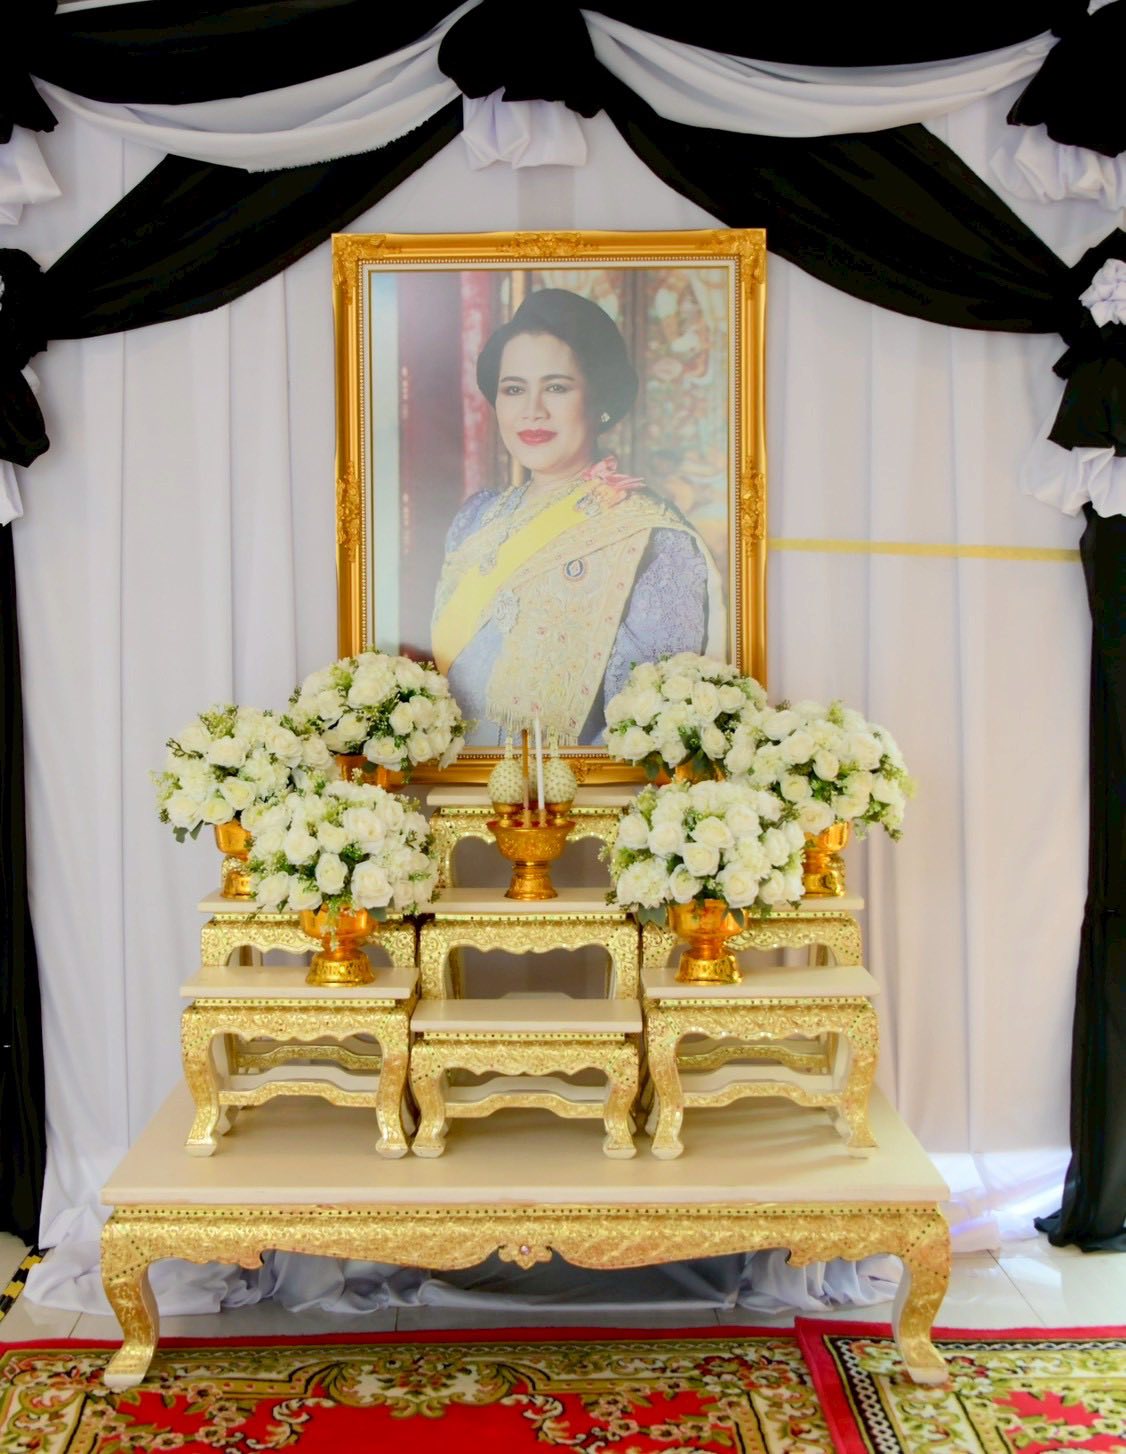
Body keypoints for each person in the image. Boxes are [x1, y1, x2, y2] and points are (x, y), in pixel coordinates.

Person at [431, 288, 724, 746]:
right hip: (456, 779)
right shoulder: (475, 519)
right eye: (514, 389)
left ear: (599, 398)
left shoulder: (652, 538)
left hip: (577, 788)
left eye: (556, 387)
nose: (532, 410)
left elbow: (648, 729)